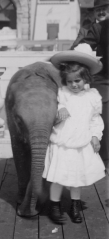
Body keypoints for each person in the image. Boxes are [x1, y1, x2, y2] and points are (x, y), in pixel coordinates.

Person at [42, 46, 106, 224]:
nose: (74, 85)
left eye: (77, 81)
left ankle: (75, 205)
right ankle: (54, 205)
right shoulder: (62, 94)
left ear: (86, 78)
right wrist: (60, 108)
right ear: (65, 81)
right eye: (70, 82)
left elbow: (95, 120)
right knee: (59, 177)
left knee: (76, 178)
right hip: (63, 143)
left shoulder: (92, 97)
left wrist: (95, 136)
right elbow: (53, 107)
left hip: (81, 144)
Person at [80, 19, 109, 160]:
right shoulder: (99, 28)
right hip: (105, 79)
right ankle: (105, 160)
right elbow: (82, 47)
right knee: (105, 116)